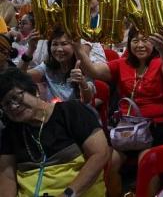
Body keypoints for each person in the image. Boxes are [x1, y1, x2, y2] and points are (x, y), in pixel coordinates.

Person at [73, 26, 163, 197]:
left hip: (155, 128)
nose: (140, 45)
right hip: (126, 129)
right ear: (129, 44)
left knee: (147, 162)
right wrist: (78, 48)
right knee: (110, 160)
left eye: (145, 40)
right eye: (135, 41)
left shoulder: (160, 63)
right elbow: (93, 70)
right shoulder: (122, 64)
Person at [0, 68, 110, 197]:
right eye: (7, 104)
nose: (14, 106)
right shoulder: (11, 131)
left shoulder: (71, 111)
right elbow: (7, 177)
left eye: (16, 97)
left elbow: (100, 154)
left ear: (34, 91)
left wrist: (68, 194)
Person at [19, 27, 95, 103]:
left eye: (64, 44)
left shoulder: (85, 68)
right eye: (55, 44)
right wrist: (30, 50)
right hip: (54, 113)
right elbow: (19, 78)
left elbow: (87, 100)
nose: (59, 49)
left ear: (74, 46)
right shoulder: (47, 67)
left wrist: (82, 82)